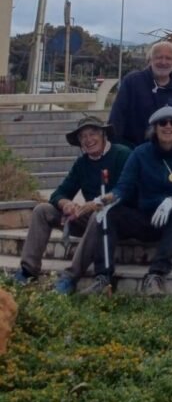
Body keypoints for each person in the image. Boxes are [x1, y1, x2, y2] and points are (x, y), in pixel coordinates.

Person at [85, 107, 172, 296]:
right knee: (110, 214)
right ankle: (103, 277)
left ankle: (156, 274)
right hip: (148, 217)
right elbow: (124, 187)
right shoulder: (140, 153)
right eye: (162, 122)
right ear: (154, 128)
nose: (168, 126)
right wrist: (106, 199)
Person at [11, 115, 131, 293]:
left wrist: (98, 204)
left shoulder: (122, 154)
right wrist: (66, 204)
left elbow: (128, 190)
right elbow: (58, 193)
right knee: (42, 210)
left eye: (92, 134)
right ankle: (28, 270)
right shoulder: (82, 163)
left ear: (103, 134)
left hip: (118, 220)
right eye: (83, 137)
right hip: (89, 218)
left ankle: (70, 277)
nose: (88, 140)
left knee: (99, 215)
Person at [108, 40, 172, 148]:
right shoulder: (132, 82)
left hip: (167, 151)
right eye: (159, 57)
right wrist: (116, 147)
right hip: (132, 149)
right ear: (151, 60)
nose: (163, 62)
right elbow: (117, 116)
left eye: (168, 58)